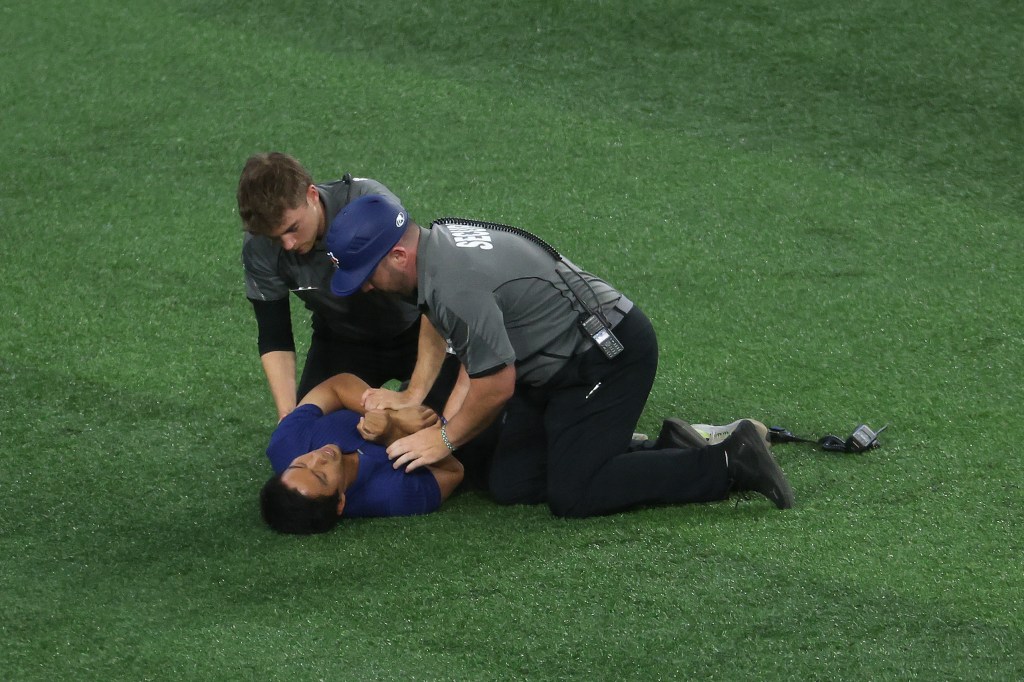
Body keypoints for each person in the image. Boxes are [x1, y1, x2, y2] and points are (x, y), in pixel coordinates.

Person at [325, 195, 795, 518]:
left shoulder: (454, 284)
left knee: (575, 494)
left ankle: (731, 462)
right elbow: (439, 321)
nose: (365, 286)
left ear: (398, 257)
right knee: (513, 485)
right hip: (555, 365)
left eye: (367, 273)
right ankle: (665, 446)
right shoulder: (436, 246)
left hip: (607, 356)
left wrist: (443, 439)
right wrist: (416, 395)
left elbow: (496, 385)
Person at [236, 152, 456, 422]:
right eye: (275, 237)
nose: (288, 245)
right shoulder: (259, 246)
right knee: (307, 439)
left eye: (293, 228)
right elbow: (274, 333)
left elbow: (432, 294)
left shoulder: (369, 205)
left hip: (419, 329)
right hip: (342, 340)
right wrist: (287, 414)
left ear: (312, 196)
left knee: (436, 431)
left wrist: (414, 395)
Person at [260, 372, 464, 534]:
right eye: (321, 475)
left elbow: (336, 386)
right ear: (340, 502)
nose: (317, 458)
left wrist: (393, 414)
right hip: (446, 422)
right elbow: (453, 472)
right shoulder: (390, 496)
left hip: (379, 397)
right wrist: (393, 432)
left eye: (300, 464)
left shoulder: (285, 444)